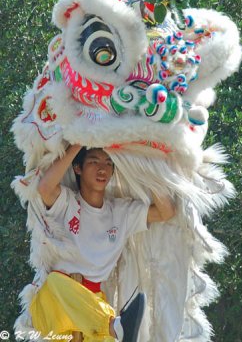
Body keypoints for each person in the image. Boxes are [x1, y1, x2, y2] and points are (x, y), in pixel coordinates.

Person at [29, 144, 175, 342]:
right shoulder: (66, 202)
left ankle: (113, 329)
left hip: (93, 305)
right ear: (77, 168)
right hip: (55, 300)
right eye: (93, 161)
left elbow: (165, 212)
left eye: (108, 163)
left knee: (105, 330)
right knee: (55, 283)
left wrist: (146, 169)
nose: (102, 169)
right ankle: (114, 328)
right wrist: (80, 140)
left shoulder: (120, 212)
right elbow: (44, 187)